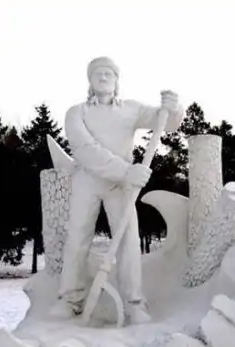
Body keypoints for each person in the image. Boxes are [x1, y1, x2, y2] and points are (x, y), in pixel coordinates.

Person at [50, 57, 184, 324]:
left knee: (128, 242)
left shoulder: (131, 109)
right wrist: (126, 171)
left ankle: (134, 302)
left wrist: (174, 108)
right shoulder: (76, 113)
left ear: (116, 79)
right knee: (77, 239)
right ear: (90, 80)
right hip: (88, 180)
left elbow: (165, 122)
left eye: (108, 73)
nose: (103, 77)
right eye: (97, 73)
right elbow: (85, 149)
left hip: (121, 187)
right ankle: (70, 298)